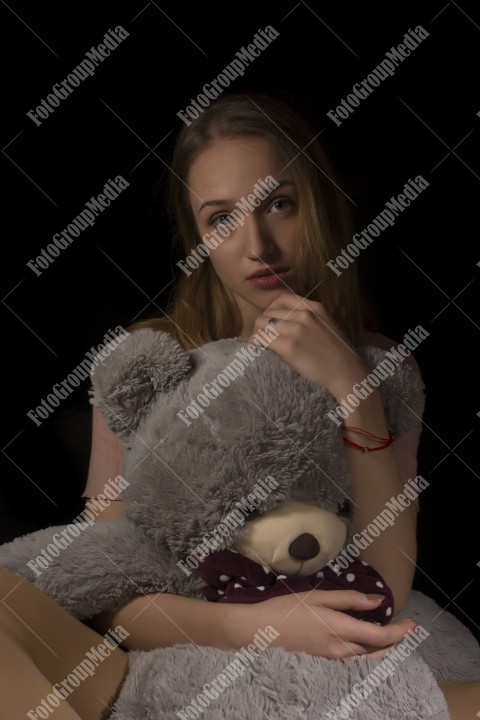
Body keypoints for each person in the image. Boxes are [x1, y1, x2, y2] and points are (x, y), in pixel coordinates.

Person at [1, 92, 478, 719]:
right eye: (221, 219)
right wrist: (262, 628)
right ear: (196, 236)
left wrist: (353, 390)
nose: (257, 244)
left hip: (343, 633)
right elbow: (106, 583)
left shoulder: (388, 367)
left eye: (280, 204)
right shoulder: (147, 361)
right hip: (185, 643)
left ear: (322, 204)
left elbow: (388, 582)